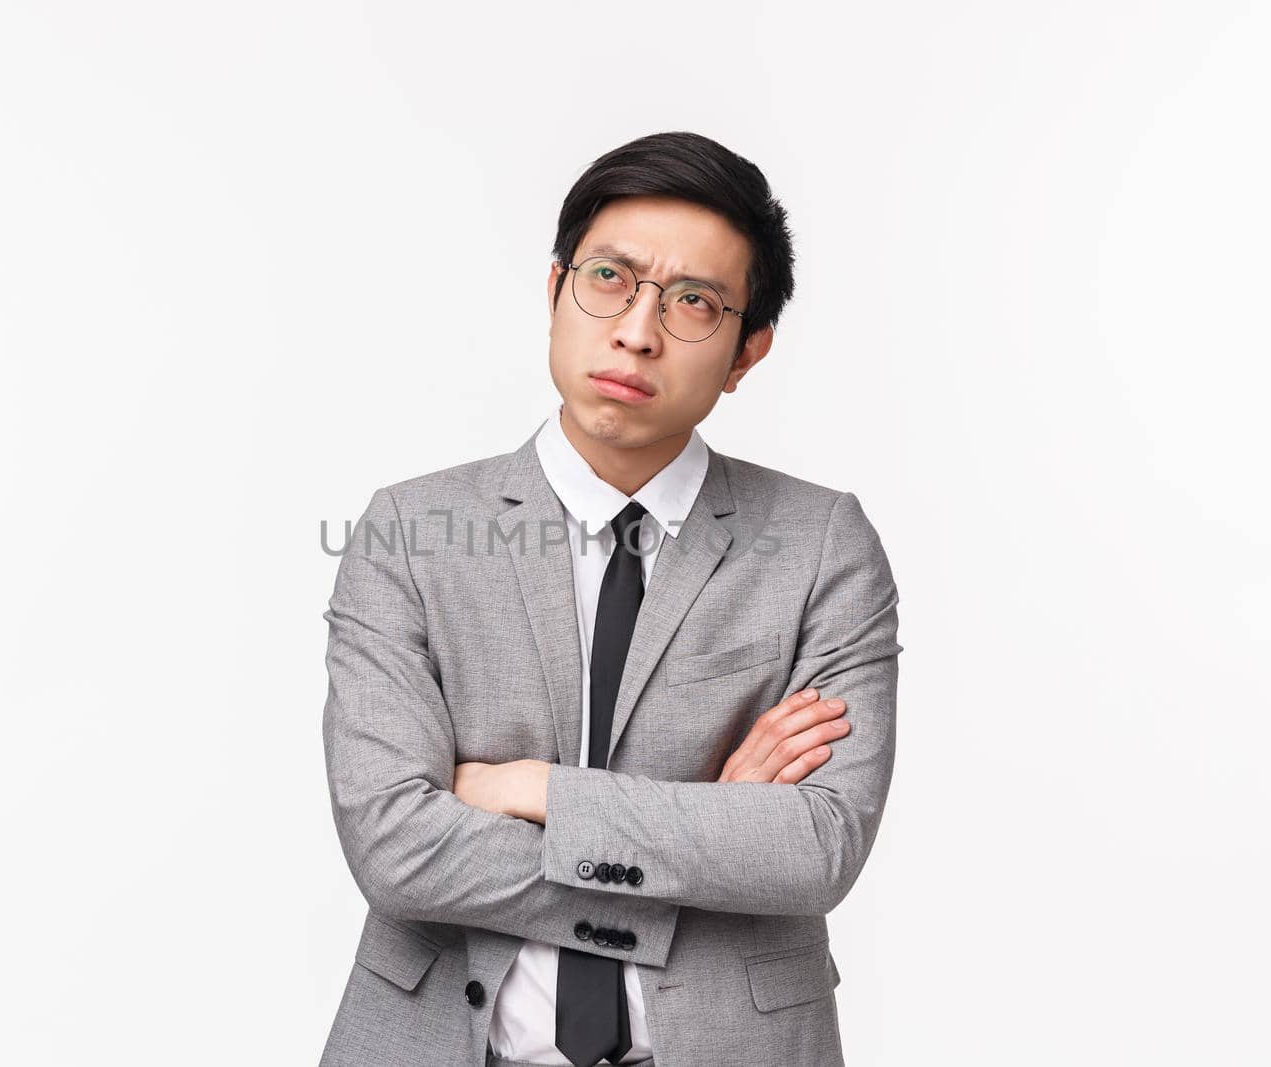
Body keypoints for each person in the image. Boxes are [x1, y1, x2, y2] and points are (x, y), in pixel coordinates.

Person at [318, 130, 902, 1067]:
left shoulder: (823, 544)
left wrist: (530, 791)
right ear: (555, 290)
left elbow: (815, 848)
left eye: (694, 303)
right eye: (609, 279)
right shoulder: (408, 532)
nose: (637, 329)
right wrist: (709, 829)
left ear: (748, 350)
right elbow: (395, 848)